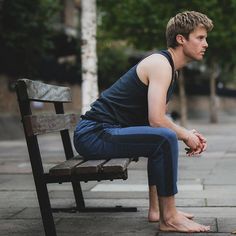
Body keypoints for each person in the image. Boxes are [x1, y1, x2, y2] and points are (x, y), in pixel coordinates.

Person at [74, 11, 213, 233]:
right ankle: (169, 218)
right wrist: (185, 134)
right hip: (94, 134)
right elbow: (157, 121)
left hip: (103, 131)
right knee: (164, 137)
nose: (205, 44)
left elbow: (156, 122)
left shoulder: (171, 70)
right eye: (200, 37)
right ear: (181, 39)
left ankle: (158, 211)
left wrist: (186, 132)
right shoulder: (160, 64)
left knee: (162, 138)